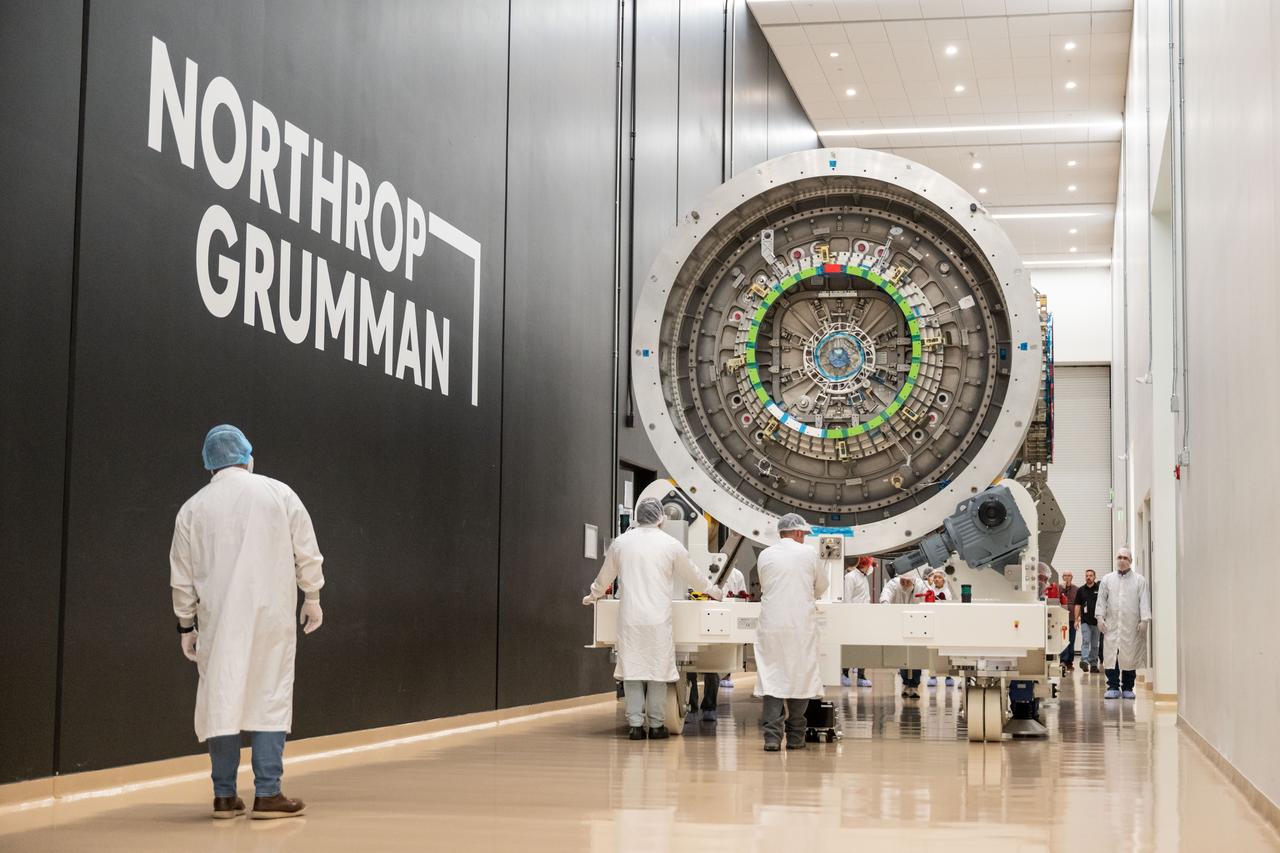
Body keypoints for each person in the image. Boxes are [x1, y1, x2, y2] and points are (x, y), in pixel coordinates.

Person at [170, 425, 325, 820]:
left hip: (218, 621)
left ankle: (224, 796)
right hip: (271, 616)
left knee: (222, 697)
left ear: (210, 464)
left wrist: (186, 626)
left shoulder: (193, 508)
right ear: (246, 455)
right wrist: (313, 597)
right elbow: (306, 551)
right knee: (268, 692)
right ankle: (268, 793)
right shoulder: (278, 493)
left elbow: (182, 576)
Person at [583, 497, 723, 740]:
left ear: (638, 515)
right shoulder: (670, 544)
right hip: (658, 619)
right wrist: (713, 591)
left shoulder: (621, 544)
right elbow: (693, 576)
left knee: (633, 671)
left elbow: (605, 576)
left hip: (630, 619)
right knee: (658, 672)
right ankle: (657, 725)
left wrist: (592, 595)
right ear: (662, 517)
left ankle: (635, 726)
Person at [754, 514, 828, 752]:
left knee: (772, 679)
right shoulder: (809, 554)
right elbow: (821, 586)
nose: (805, 539)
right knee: (800, 677)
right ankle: (796, 738)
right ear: (797, 533)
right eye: (804, 535)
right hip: (800, 625)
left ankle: (772, 739)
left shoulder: (765, 555)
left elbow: (765, 585)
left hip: (772, 625)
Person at [1096, 547, 1151, 699]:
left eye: (1125, 558)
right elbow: (1101, 600)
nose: (1122, 560)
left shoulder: (1139, 580)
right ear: (1116, 559)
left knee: (1129, 656)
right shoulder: (1107, 579)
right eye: (1119, 557)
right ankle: (1113, 686)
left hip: (1131, 625)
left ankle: (1128, 687)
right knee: (1111, 655)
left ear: (1131, 561)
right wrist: (1100, 617)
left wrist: (1145, 620)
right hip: (1111, 624)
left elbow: (1144, 601)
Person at [880, 571, 926, 698]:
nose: (905, 584)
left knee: (916, 655)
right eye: (903, 581)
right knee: (902, 655)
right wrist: (885, 604)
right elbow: (885, 595)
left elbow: (927, 602)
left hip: (918, 624)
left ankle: (915, 685)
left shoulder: (921, 585)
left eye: (908, 581)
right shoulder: (893, 584)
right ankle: (906, 683)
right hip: (899, 624)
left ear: (914, 580)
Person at [841, 556, 874, 688]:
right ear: (865, 564)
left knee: (863, 648)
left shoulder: (863, 576)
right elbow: (847, 598)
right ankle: (844, 673)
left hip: (864, 617)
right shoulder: (850, 577)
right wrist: (849, 618)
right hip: (852, 617)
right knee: (849, 647)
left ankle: (861, 675)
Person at [923, 570, 955, 688]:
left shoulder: (947, 592)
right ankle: (932, 676)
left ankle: (948, 675)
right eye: (935, 577)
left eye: (939, 578)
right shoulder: (930, 590)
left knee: (947, 651)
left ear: (944, 579)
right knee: (933, 651)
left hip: (945, 625)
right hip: (932, 625)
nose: (936, 579)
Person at [719, 567, 749, 688]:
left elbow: (743, 597)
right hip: (714, 613)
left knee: (728, 647)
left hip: (731, 615)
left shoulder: (737, 574)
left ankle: (726, 675)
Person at [1075, 569, 1101, 672]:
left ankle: (1094, 664)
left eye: (1090, 575)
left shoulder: (1100, 589)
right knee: (1086, 641)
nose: (1088, 577)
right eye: (1087, 576)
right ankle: (1084, 662)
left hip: (1097, 621)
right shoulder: (1081, 590)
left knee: (1095, 644)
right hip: (1085, 621)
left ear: (1095, 577)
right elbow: (1077, 605)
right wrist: (1076, 620)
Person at [1058, 571, 1079, 672]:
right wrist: (1061, 589)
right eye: (1065, 575)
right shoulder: (1059, 588)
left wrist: (1077, 618)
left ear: (1072, 577)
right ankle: (1063, 660)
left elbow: (1079, 605)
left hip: (1072, 619)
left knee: (1071, 640)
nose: (1067, 577)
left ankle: (1069, 662)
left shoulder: (1076, 589)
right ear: (1062, 577)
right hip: (1061, 619)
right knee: (1063, 640)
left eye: (1069, 575)